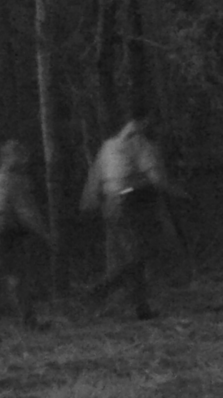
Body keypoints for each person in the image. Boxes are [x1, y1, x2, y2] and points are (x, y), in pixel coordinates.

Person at [80, 118, 187, 321]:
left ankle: (141, 308)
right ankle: (100, 290)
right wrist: (180, 193)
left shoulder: (109, 145)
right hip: (132, 202)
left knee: (129, 256)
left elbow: (95, 177)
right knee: (139, 255)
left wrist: (89, 203)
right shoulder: (142, 144)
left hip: (110, 202)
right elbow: (157, 178)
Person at [0, 140, 52, 330]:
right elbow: (26, 211)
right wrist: (44, 233)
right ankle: (28, 321)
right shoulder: (16, 180)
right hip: (9, 233)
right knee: (17, 278)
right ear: (9, 157)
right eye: (20, 156)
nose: (24, 161)